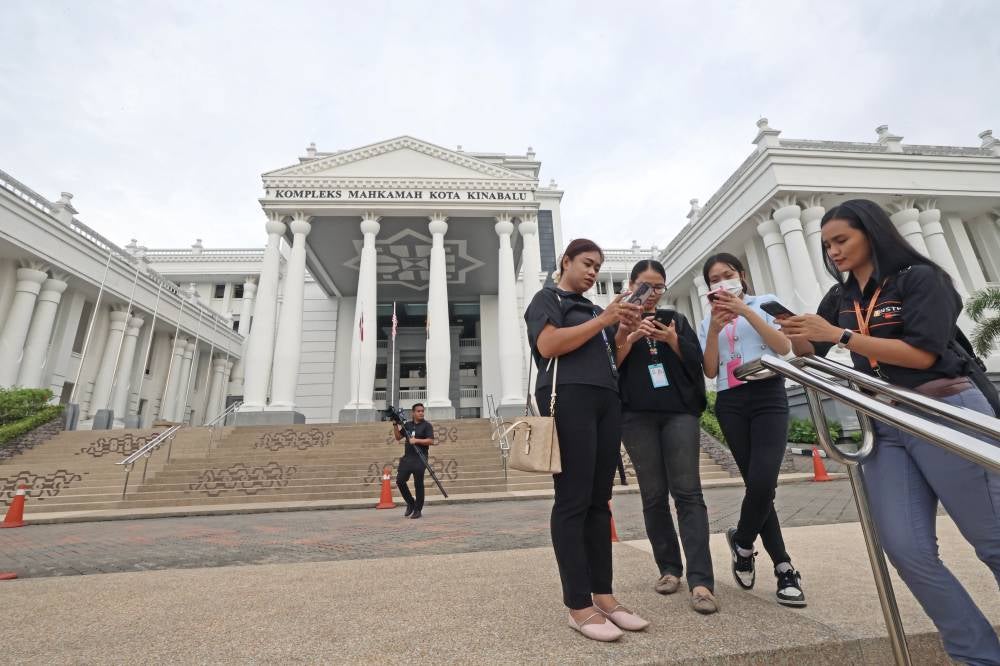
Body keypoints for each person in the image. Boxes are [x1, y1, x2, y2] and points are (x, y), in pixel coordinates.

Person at [779, 198, 1000, 663]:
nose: (833, 252)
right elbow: (805, 348)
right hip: (886, 421)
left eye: (842, 240)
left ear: (873, 233)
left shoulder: (921, 279)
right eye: (826, 245)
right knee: (905, 548)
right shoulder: (841, 298)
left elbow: (921, 354)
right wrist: (777, 322)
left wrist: (840, 336)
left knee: (992, 540)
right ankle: (976, 655)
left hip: (943, 407)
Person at [524, 238, 648, 642]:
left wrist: (625, 332)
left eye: (598, 266)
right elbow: (548, 345)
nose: (593, 272)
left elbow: (614, 359)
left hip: (605, 398)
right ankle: (578, 605)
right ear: (566, 261)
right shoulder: (547, 299)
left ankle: (604, 596)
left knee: (600, 500)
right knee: (573, 499)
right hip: (568, 396)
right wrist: (604, 319)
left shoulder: (597, 310)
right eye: (587, 264)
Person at [697, 252, 806, 607]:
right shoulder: (706, 321)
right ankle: (784, 568)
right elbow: (710, 371)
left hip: (769, 393)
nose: (722, 282)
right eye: (714, 279)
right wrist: (714, 329)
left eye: (727, 274)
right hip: (731, 401)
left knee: (764, 481)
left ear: (741, 275)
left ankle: (743, 543)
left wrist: (745, 312)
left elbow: (784, 346)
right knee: (757, 487)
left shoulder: (766, 304)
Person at [616, 259, 718, 614]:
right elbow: (610, 365)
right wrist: (630, 335)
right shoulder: (618, 319)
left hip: (678, 413)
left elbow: (699, 365)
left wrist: (672, 339)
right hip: (636, 416)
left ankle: (702, 580)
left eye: (658, 286)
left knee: (688, 492)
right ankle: (669, 569)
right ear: (630, 286)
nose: (652, 293)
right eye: (645, 286)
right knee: (654, 494)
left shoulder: (676, 319)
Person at [392, 403, 435, 519]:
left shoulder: (427, 426)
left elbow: (431, 441)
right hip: (407, 458)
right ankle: (411, 503)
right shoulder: (408, 425)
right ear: (413, 413)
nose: (421, 413)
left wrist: (416, 440)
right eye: (418, 411)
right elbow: (398, 437)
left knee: (418, 484)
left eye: (422, 411)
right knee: (400, 481)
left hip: (420, 458)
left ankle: (418, 509)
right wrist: (395, 424)